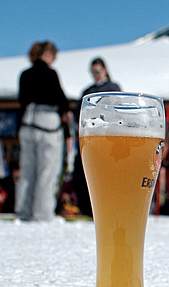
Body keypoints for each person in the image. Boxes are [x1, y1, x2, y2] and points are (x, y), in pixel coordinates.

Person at [16, 41, 72, 221]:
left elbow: (21, 101)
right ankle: (42, 213)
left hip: (28, 123)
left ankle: (23, 211)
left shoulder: (24, 75)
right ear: (48, 54)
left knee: (27, 171)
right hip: (48, 123)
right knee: (47, 171)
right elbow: (60, 98)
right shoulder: (51, 73)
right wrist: (66, 112)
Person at [72, 57, 122, 217]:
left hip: (107, 138)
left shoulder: (113, 88)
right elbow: (78, 115)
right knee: (83, 173)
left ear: (105, 70)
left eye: (97, 71)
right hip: (89, 138)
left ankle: (105, 210)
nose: (95, 75)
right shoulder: (87, 92)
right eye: (92, 72)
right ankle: (86, 208)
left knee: (105, 175)